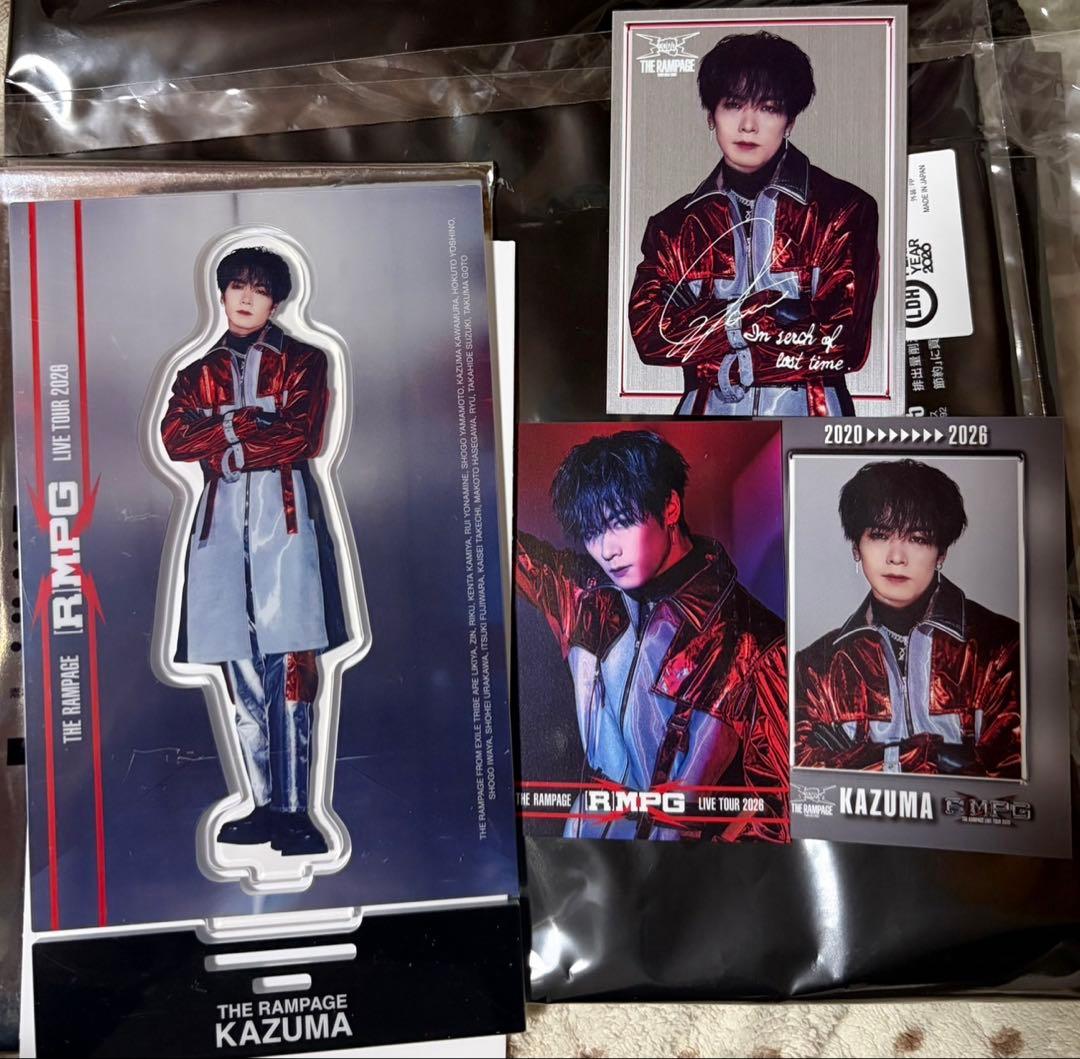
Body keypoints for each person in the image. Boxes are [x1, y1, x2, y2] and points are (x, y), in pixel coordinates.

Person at [161, 246, 351, 856]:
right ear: (220, 293)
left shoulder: (305, 359)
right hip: (218, 536)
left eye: (260, 288)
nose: (246, 297)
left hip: (285, 529)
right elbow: (174, 438)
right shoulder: (197, 371)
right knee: (238, 673)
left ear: (276, 300)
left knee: (292, 668)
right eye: (236, 285)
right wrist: (243, 422)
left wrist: (226, 446)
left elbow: (301, 436)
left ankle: (296, 813)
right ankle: (265, 804)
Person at [516, 430, 788, 841]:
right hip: (581, 850)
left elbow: (776, 813)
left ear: (670, 507)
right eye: (592, 531)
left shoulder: (752, 641)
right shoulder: (584, 593)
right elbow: (494, 536)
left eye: (622, 522)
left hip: (673, 863)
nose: (607, 550)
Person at [628, 31, 880, 416]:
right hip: (706, 427)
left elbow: (843, 343)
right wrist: (758, 314)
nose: (748, 125)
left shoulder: (844, 210)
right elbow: (652, 337)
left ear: (790, 120)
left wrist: (711, 340)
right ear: (711, 115)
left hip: (813, 423)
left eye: (768, 107)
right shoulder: (673, 227)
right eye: (733, 105)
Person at [794, 459, 1021, 778]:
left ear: (941, 553)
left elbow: (1014, 773)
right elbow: (805, 775)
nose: (896, 557)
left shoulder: (1001, 649)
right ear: (856, 548)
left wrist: (857, 757)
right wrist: (936, 756)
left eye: (918, 539)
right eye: (879, 535)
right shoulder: (816, 667)